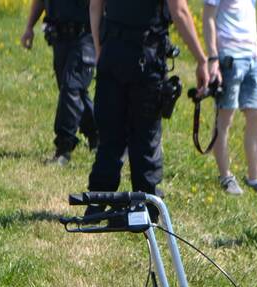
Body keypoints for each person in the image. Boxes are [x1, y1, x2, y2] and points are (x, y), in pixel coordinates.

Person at [87, 0, 215, 200]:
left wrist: (98, 50)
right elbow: (179, 12)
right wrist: (201, 59)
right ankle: (145, 203)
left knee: (110, 133)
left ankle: (98, 199)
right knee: (145, 136)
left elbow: (95, 5)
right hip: (146, 59)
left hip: (112, 54)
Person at [202, 0, 257, 197]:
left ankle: (255, 178)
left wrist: (256, 49)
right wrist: (213, 58)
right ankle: (225, 176)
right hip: (229, 58)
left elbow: (249, 15)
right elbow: (208, 17)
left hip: (251, 58)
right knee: (225, 118)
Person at [22, 0, 98, 165]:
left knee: (71, 88)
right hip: (60, 38)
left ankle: (64, 148)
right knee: (71, 92)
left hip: (85, 37)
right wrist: (29, 27)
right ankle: (97, 134)